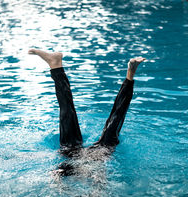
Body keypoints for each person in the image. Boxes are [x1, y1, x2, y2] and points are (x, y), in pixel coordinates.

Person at [28, 49, 145, 177]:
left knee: (68, 113)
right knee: (114, 119)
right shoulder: (94, 173)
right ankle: (130, 74)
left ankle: (56, 65)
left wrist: (59, 181)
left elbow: (58, 174)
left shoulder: (72, 168)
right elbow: (97, 182)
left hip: (76, 153)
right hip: (98, 152)